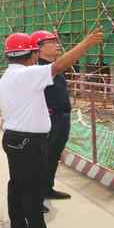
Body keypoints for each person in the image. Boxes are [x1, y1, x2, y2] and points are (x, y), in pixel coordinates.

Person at [0, 28, 103, 228]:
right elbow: (57, 66)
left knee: (17, 184)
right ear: (34, 54)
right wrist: (85, 43)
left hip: (14, 138)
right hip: (28, 141)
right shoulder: (27, 75)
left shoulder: (9, 76)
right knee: (33, 190)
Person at [30, 30, 73, 203]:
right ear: (38, 48)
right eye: (51, 42)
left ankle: (47, 189)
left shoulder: (54, 67)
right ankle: (36, 197)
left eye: (56, 41)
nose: (57, 44)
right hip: (50, 119)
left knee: (54, 155)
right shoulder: (39, 70)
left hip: (62, 118)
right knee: (43, 158)